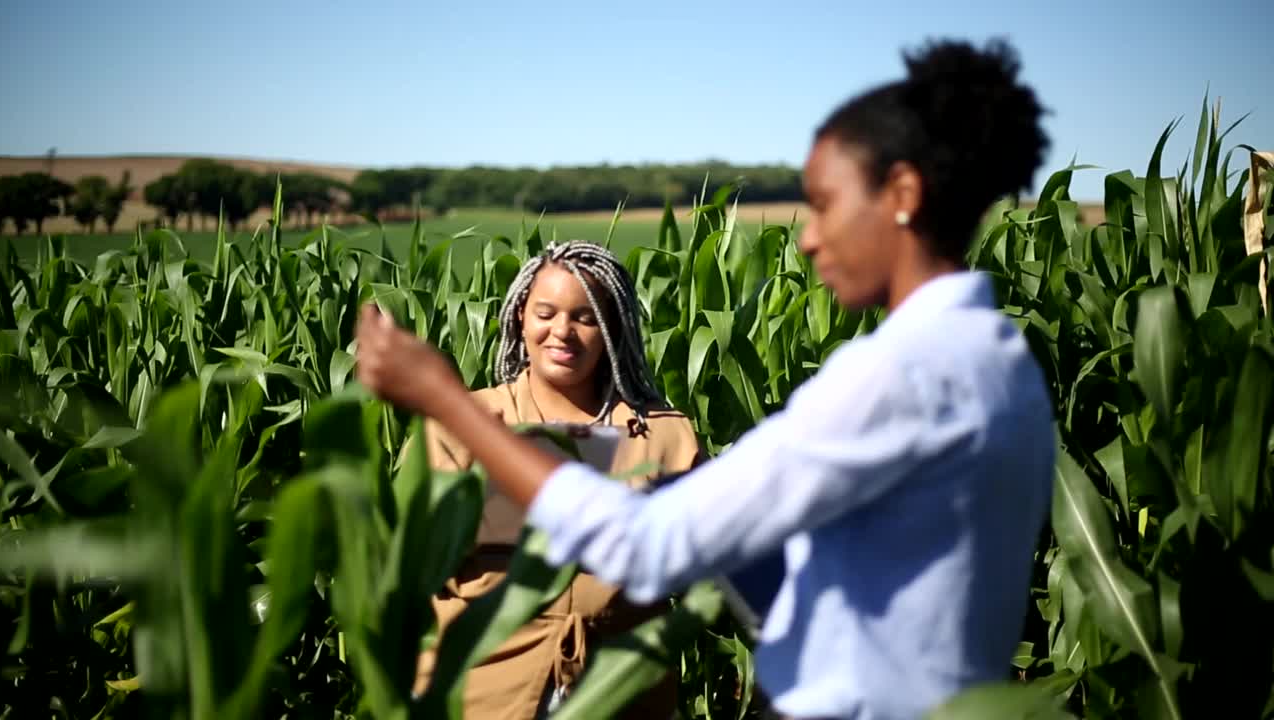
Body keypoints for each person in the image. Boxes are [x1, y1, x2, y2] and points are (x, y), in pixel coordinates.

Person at [357, 37, 1056, 720]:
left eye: (822, 203)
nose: (809, 237)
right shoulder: (999, 361)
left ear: (902, 193)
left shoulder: (900, 374)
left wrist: (443, 397)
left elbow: (644, 546)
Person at [407, 240, 702, 720]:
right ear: (521, 315)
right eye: (546, 313)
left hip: (622, 690)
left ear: (613, 329)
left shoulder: (664, 434)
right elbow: (414, 559)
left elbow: (704, 567)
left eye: (585, 318)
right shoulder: (466, 422)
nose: (562, 332)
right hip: (485, 688)